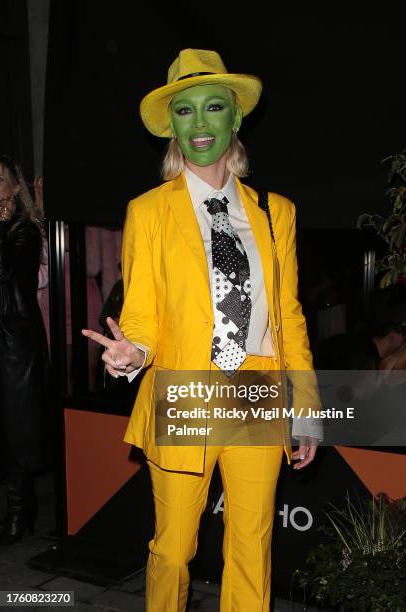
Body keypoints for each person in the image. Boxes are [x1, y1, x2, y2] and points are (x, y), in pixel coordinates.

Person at [83, 49, 321, 611]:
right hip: (185, 388)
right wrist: (130, 352)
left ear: (235, 118)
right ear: (173, 126)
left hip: (257, 391)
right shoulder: (148, 211)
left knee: (251, 543)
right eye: (185, 112)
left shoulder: (275, 212)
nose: (200, 124)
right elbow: (140, 311)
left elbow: (288, 315)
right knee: (172, 548)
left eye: (213, 108)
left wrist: (305, 407)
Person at [0, 154, 50, 545]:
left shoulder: (23, 232)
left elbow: (14, 289)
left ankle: (20, 511)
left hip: (14, 345)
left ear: (15, 188)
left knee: (16, 429)